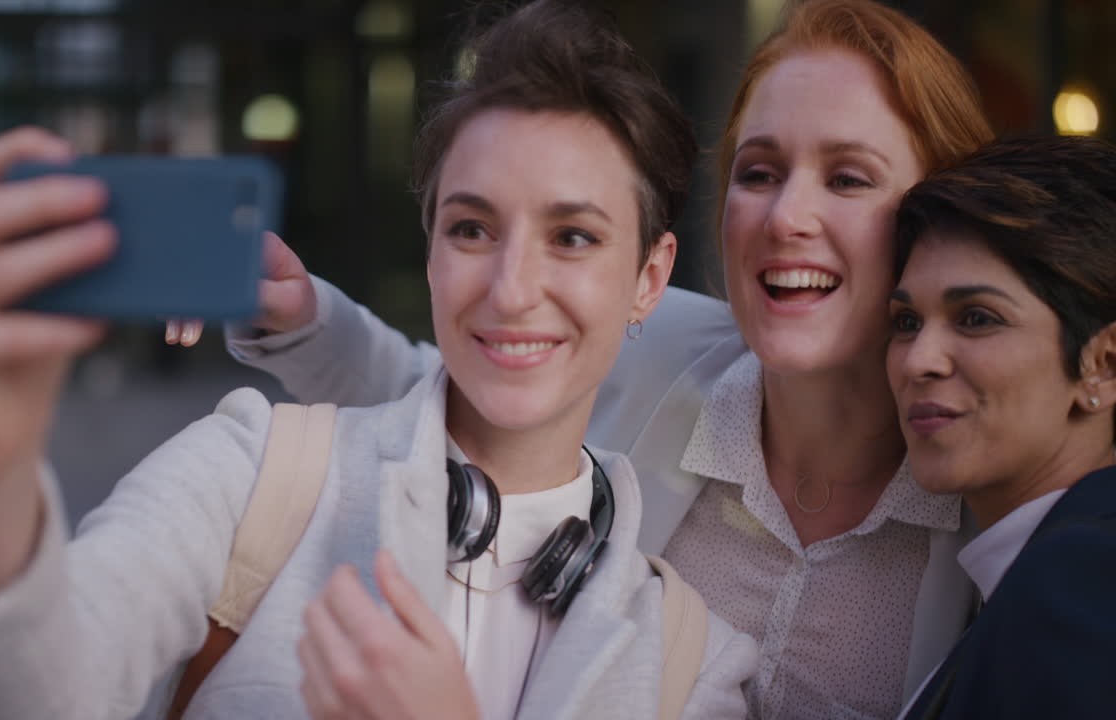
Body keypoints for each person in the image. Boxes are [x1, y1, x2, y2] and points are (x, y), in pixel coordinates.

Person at [0, 2, 757, 719]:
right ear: (430, 249)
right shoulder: (255, 477)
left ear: (649, 278)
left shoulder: (695, 664)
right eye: (471, 228)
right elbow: (29, 699)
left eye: (572, 236)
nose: (511, 287)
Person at [196, 0, 996, 717]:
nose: (787, 214)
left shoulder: (993, 502)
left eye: (848, 178)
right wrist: (302, 315)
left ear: (938, 222)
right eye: (759, 173)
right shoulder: (655, 339)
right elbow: (447, 398)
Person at [887, 134, 1116, 719]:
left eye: (977, 318)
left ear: (1105, 365)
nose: (920, 360)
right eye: (906, 321)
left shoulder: (1080, 580)